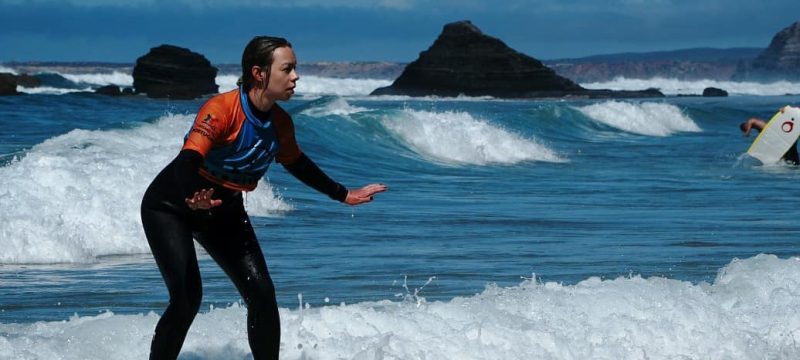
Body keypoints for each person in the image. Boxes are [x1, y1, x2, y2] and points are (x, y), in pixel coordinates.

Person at [140, 36, 387, 360]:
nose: (295, 76)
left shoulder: (280, 124)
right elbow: (189, 160)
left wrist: (343, 194)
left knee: (262, 294)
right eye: (287, 68)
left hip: (223, 209)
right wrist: (191, 198)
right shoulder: (222, 110)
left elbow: (296, 163)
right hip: (170, 206)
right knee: (187, 298)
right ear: (259, 73)